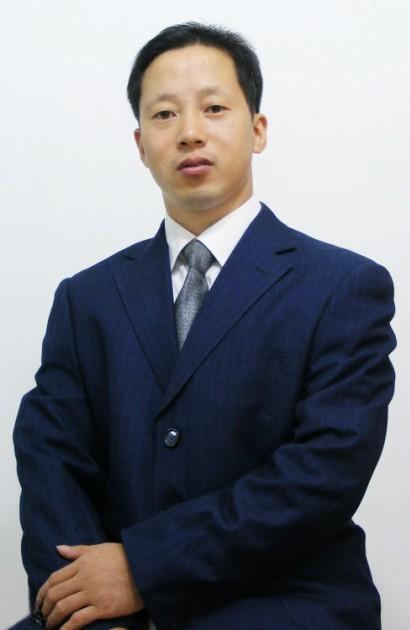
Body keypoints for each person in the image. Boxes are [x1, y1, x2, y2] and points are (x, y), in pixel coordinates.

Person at [12, 21, 396, 630]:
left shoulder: (343, 286)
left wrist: (144, 568)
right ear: (141, 144)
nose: (189, 131)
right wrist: (87, 601)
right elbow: (50, 461)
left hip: (284, 602)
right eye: (164, 115)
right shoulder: (86, 299)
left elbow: (324, 474)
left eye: (214, 108)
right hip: (112, 613)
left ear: (257, 129)